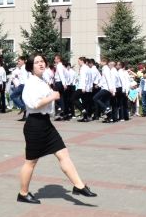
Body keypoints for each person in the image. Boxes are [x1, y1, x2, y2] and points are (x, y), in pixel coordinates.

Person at [17, 54, 96, 204]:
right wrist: (53, 96)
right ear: (30, 66)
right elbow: (34, 104)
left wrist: (52, 97)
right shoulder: (31, 83)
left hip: (46, 124)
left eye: (42, 61)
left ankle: (79, 185)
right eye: (36, 62)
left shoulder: (42, 81)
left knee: (63, 154)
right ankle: (23, 193)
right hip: (35, 125)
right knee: (31, 162)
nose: (41, 64)